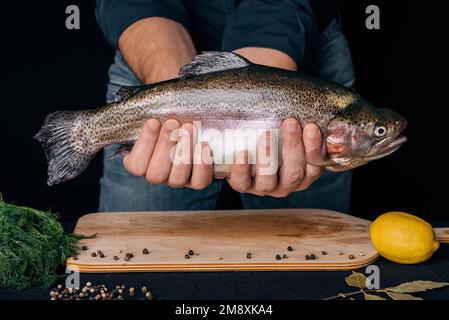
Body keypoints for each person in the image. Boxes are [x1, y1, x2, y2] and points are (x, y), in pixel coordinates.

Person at [95, 0, 355, 212]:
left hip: (302, 58)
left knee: (308, 259)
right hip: (151, 49)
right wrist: (172, 96)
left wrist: (258, 93)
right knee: (135, 257)